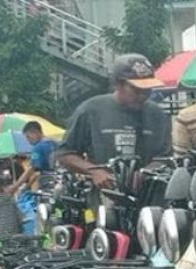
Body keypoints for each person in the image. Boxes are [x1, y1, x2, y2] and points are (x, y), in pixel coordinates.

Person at [60, 53, 171, 192]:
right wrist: (95, 171)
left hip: (148, 195)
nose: (143, 96)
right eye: (136, 90)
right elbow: (65, 154)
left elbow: (165, 157)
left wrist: (145, 173)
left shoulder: (158, 115)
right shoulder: (91, 110)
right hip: (104, 193)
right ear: (118, 84)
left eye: (147, 90)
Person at [9, 121, 57, 193]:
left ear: (36, 132)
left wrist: (15, 186)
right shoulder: (55, 143)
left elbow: (32, 169)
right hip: (60, 182)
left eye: (28, 137)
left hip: (47, 183)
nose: (28, 141)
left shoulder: (37, 148)